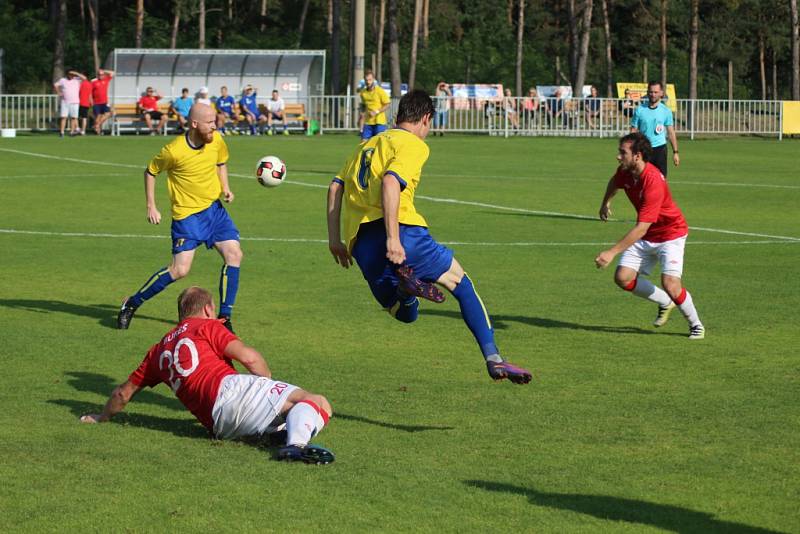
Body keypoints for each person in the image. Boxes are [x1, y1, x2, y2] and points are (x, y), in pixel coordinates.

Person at [326, 89, 532, 384]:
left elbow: (335, 187)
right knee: (461, 283)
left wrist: (335, 240)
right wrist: (393, 239)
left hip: (361, 245)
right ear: (426, 119)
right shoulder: (413, 144)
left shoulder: (365, 145)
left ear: (396, 116)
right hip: (402, 232)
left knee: (402, 313)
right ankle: (494, 358)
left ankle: (406, 290)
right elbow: (389, 182)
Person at [86, 287, 334, 464]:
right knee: (314, 401)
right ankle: (295, 447)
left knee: (285, 415)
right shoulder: (207, 325)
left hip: (218, 426)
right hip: (230, 392)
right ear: (207, 308)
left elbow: (123, 393)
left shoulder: (157, 350)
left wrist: (101, 418)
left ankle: (273, 436)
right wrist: (265, 385)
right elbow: (250, 358)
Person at [117, 104, 243, 335]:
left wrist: (226, 187)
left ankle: (224, 317)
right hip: (187, 217)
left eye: (215, 121)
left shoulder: (216, 140)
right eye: (209, 122)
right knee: (179, 270)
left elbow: (221, 163)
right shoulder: (174, 151)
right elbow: (151, 171)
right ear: (194, 124)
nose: (215, 126)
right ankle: (132, 303)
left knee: (234, 254)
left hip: (214, 211)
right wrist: (151, 206)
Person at [594, 133, 704, 340]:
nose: (618, 157)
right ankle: (665, 301)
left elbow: (642, 227)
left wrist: (611, 252)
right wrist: (605, 202)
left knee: (671, 283)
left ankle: (696, 324)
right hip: (648, 235)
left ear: (637, 156)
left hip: (671, 233)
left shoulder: (652, 181)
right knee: (623, 278)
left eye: (622, 153)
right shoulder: (626, 171)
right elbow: (614, 182)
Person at [630, 81, 679, 177]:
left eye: (656, 92)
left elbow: (671, 132)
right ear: (648, 92)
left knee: (661, 179)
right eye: (651, 92)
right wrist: (631, 149)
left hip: (660, 149)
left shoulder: (666, 111)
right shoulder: (640, 110)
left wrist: (675, 152)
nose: (653, 95)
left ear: (661, 93)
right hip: (643, 149)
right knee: (642, 177)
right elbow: (633, 130)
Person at [359, 69, 391, 142]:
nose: (368, 82)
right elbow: (363, 107)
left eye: (370, 80)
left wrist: (376, 111)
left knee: (379, 144)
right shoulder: (363, 93)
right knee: (363, 143)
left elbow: (387, 104)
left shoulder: (379, 91)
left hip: (379, 122)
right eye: (366, 80)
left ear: (373, 79)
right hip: (368, 122)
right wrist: (361, 118)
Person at [53, 70, 86, 137]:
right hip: (65, 102)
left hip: (75, 102)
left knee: (73, 118)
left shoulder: (77, 80)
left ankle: (72, 132)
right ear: (67, 74)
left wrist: (76, 73)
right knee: (63, 117)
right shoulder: (63, 80)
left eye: (73, 75)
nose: (72, 76)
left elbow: (84, 78)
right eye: (70, 74)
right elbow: (55, 85)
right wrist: (58, 92)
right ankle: (62, 132)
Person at [91, 68, 114, 135]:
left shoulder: (106, 79)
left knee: (108, 114)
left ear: (104, 75)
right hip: (96, 102)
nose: (100, 76)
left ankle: (97, 125)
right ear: (97, 75)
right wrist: (91, 101)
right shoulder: (94, 82)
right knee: (97, 117)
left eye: (102, 74)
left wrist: (104, 71)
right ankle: (98, 132)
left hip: (104, 102)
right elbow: (90, 92)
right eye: (99, 74)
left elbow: (113, 73)